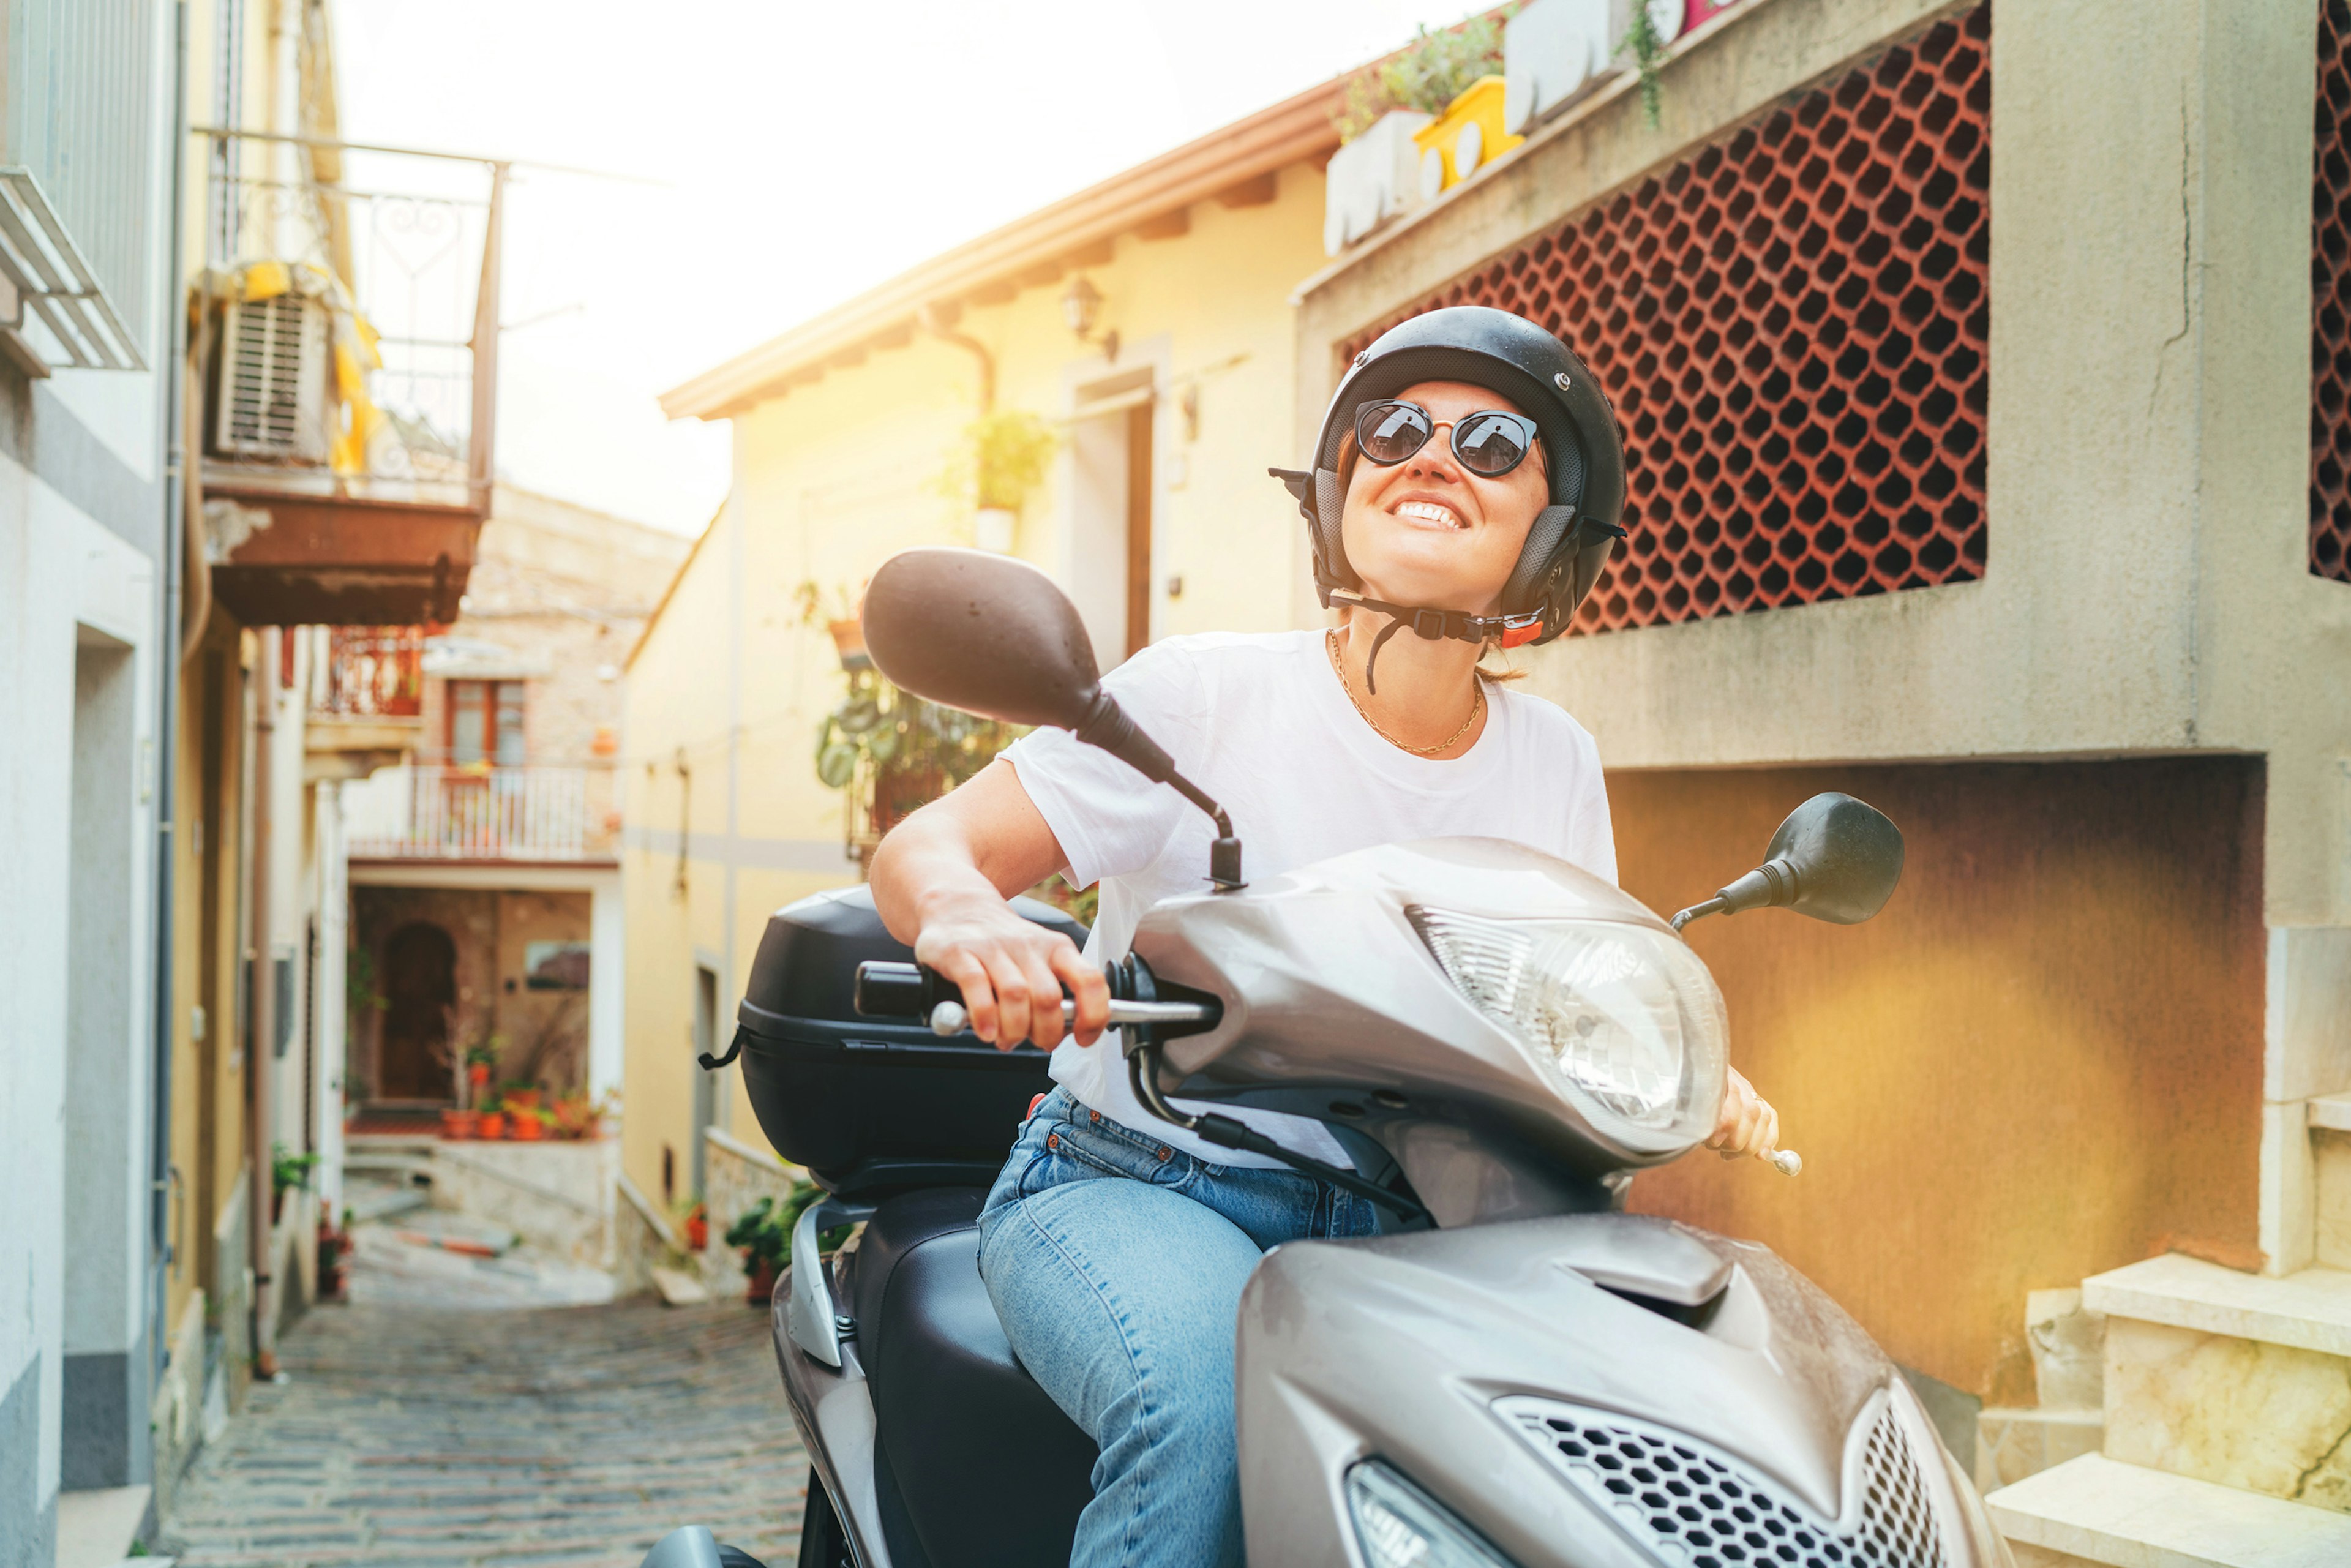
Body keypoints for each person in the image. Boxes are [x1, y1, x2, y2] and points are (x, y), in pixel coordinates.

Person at [868, 307, 1783, 1568]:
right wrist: (974, 920)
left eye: (1494, 443)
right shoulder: (1205, 692)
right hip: (1141, 1180)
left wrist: (1673, 1069)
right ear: (1340, 485)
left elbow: (1564, 995)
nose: (1431, 457)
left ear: (1551, 531)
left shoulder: (1553, 761)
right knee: (1205, 1407)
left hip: (1419, 1223)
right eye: (1394, 430)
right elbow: (929, 849)